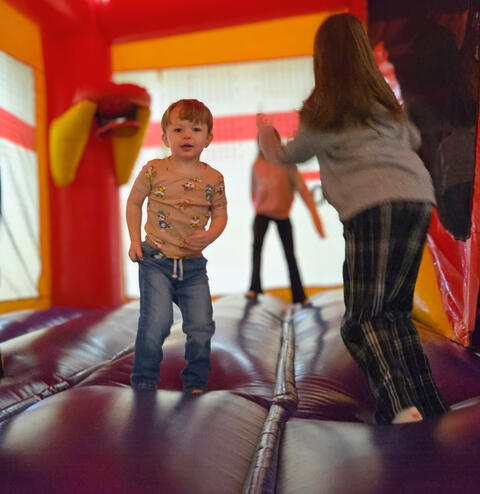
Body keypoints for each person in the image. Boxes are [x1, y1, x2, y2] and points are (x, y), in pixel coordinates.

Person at [257, 13, 449, 424]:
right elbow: (412, 140)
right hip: (416, 198)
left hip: (371, 206)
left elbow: (290, 155)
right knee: (395, 314)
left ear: (322, 60)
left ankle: (400, 405)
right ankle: (429, 403)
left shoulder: (323, 109)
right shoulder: (385, 105)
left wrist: (267, 139)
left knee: (363, 319)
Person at [126, 99, 227, 394]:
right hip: (155, 259)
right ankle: (144, 379)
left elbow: (220, 213)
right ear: (164, 137)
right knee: (157, 322)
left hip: (193, 265)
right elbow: (134, 202)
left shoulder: (213, 179)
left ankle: (195, 380)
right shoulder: (153, 170)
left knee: (201, 325)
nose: (187, 135)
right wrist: (134, 240)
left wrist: (212, 233)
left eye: (196, 129)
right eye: (178, 129)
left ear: (208, 139)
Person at [246, 148, 325, 306]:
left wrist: (316, 220)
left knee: (290, 255)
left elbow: (303, 191)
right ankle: (255, 287)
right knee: (256, 249)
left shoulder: (287, 165)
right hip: (262, 213)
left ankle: (299, 295)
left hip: (282, 214)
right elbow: (253, 190)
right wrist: (259, 205)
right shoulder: (257, 164)